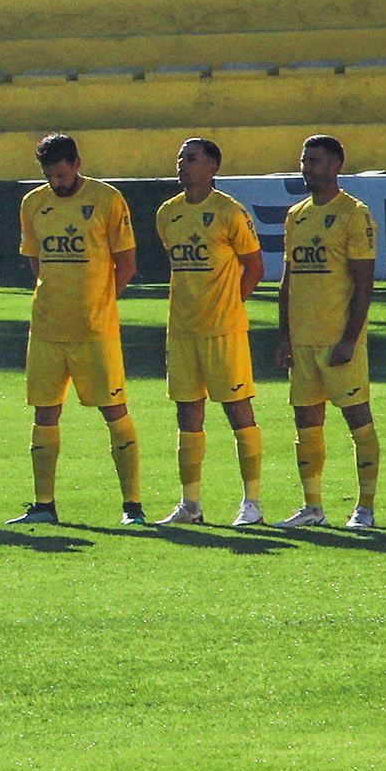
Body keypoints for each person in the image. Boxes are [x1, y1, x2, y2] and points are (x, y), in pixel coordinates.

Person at [11, 134, 145, 526]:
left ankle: (132, 506)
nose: (57, 182)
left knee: (114, 411)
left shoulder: (107, 200)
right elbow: (36, 262)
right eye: (51, 176)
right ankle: (43, 506)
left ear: (77, 163)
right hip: (47, 330)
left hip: (94, 331)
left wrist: (101, 302)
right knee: (45, 413)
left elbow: (128, 263)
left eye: (62, 174)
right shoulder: (33, 204)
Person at [155, 139, 265, 526]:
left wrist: (229, 305)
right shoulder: (167, 213)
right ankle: (191, 504)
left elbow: (254, 267)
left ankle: (251, 503)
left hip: (223, 331)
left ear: (212, 168)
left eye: (191, 158)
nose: (182, 164)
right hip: (182, 331)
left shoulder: (229, 211)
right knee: (188, 414)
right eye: (181, 157)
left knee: (238, 410)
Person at [275, 135, 379, 529]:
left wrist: (350, 339)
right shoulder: (296, 215)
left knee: (358, 420)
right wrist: (284, 336)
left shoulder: (354, 214)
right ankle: (313, 507)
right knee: (306, 423)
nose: (306, 167)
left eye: (314, 161)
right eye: (304, 160)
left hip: (338, 342)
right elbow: (289, 280)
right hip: (302, 343)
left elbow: (364, 285)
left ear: (335, 165)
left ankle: (365, 508)